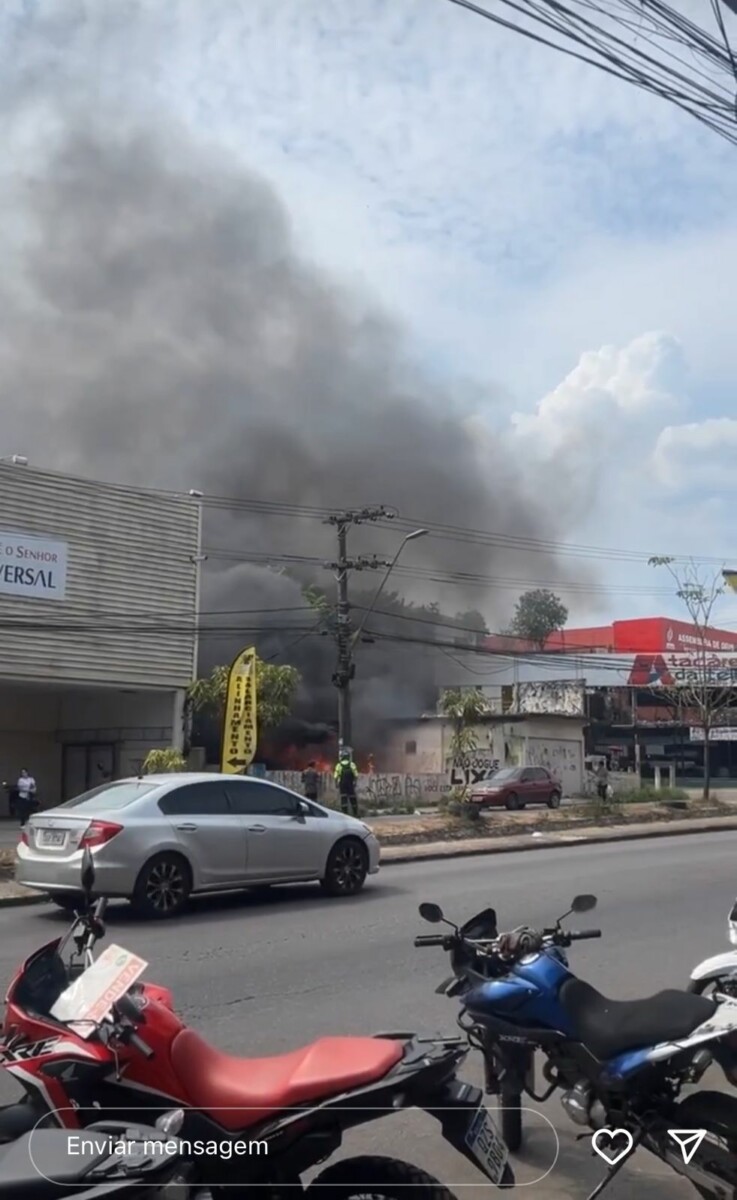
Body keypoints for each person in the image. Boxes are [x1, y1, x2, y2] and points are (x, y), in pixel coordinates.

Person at [334, 749, 359, 816]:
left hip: (342, 784)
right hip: (350, 784)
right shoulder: (352, 764)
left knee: (343, 799)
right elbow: (356, 775)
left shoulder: (338, 765)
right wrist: (355, 782)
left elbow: (336, 776)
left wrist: (336, 784)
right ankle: (355, 814)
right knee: (353, 798)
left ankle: (345, 814)